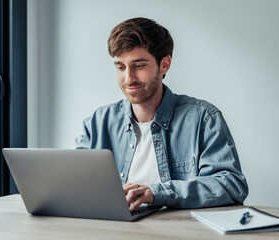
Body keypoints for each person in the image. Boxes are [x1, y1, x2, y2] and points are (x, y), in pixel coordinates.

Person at [75, 17, 248, 211]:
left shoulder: (204, 118)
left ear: (164, 64)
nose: (128, 78)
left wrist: (157, 192)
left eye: (139, 66)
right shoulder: (98, 123)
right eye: (120, 67)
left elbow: (231, 185)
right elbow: (75, 185)